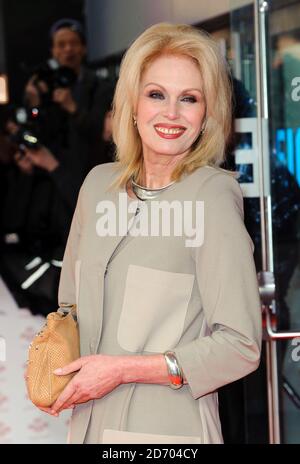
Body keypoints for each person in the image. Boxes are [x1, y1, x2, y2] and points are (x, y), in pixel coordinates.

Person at [35, 23, 262, 444]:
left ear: (206, 114)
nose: (171, 113)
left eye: (189, 99)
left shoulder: (211, 195)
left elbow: (241, 345)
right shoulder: (97, 186)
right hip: (86, 425)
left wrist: (121, 369)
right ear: (132, 104)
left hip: (168, 434)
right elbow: (70, 307)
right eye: (156, 94)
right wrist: (57, 364)